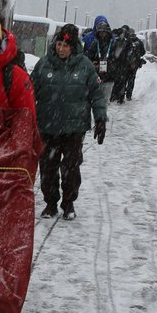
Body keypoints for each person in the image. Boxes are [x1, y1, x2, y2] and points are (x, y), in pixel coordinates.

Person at [30, 23, 107, 221]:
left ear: (73, 46)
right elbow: (29, 92)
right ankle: (50, 203)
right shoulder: (43, 64)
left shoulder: (85, 66)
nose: (61, 48)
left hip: (74, 128)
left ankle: (69, 202)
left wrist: (100, 118)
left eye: (66, 45)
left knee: (71, 167)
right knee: (48, 166)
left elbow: (97, 95)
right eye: (59, 44)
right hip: (47, 126)